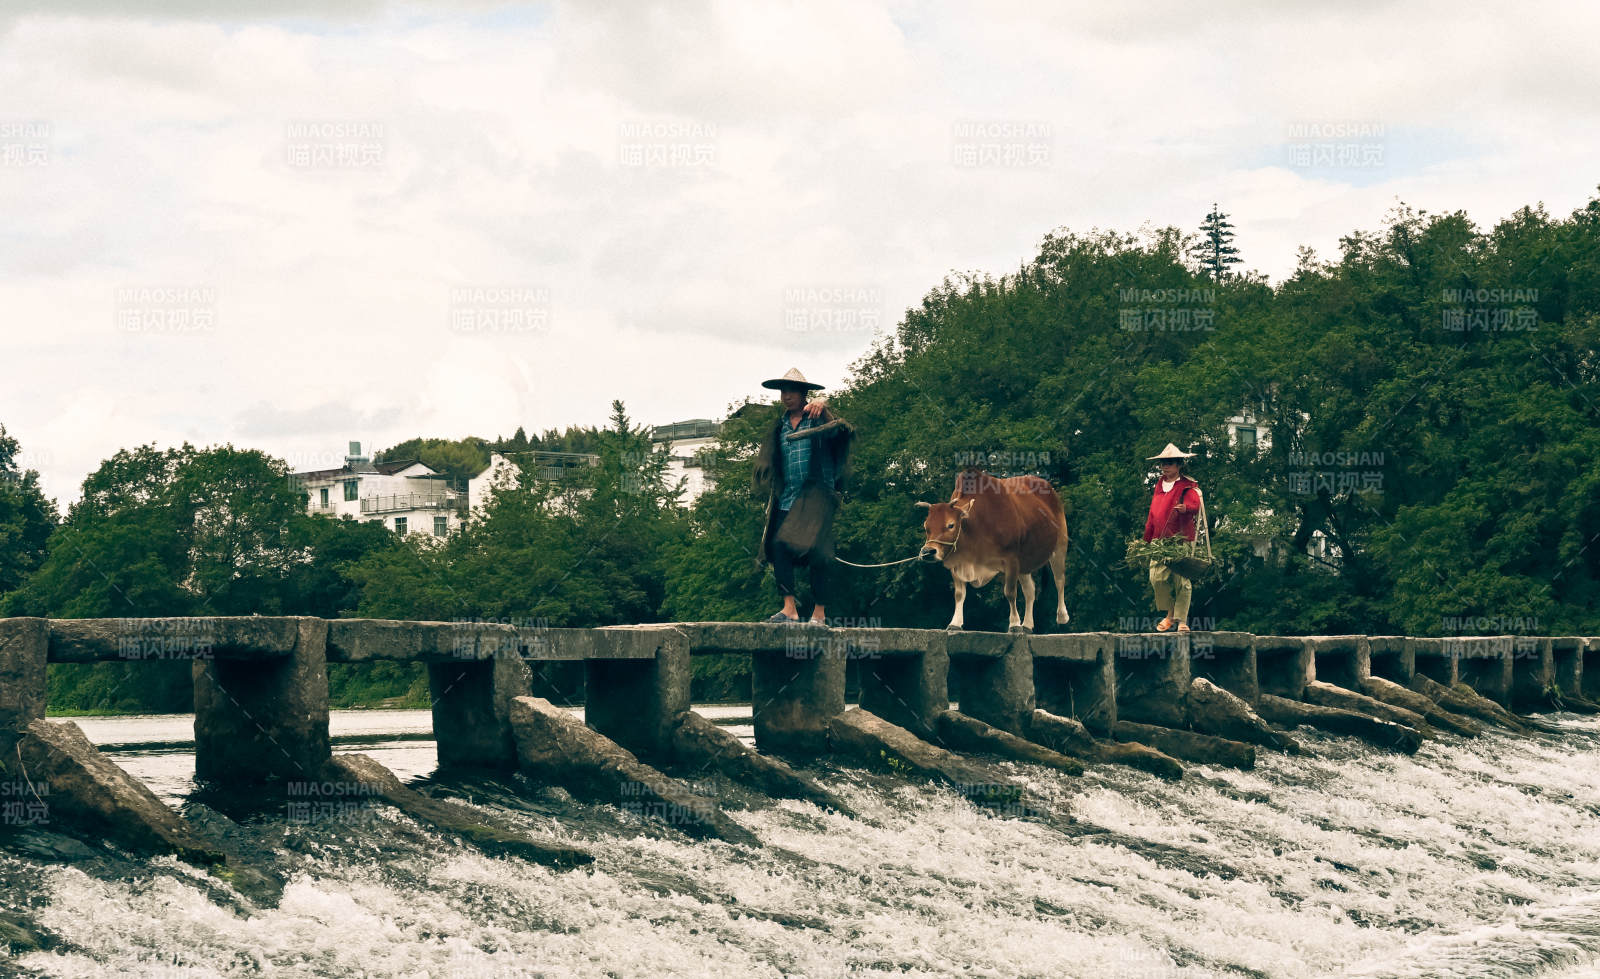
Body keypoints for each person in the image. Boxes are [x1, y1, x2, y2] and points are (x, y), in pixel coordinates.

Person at [752, 368, 855, 626]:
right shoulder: (780, 425)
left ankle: (819, 613)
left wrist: (825, 403)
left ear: (803, 394)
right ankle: (789, 609)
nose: (786, 396)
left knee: (819, 553)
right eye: (783, 392)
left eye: (792, 391)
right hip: (788, 495)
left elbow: (842, 432)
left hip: (817, 494)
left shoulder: (818, 417)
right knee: (777, 546)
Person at [1142, 442, 1202, 633]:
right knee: (1157, 578)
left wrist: (1186, 509)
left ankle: (1181, 620)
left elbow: (1196, 505)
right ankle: (1169, 614)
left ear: (1178, 465)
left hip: (1180, 539)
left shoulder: (1187, 485)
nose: (1165, 467)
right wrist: (1146, 540)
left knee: (1181, 580)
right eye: (1162, 463)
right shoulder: (1159, 485)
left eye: (1169, 463)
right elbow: (1153, 513)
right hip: (1160, 541)